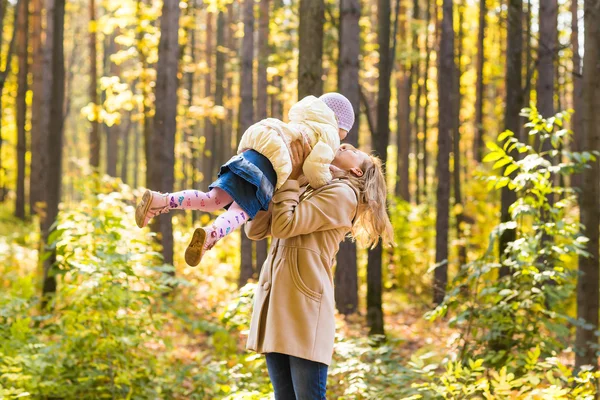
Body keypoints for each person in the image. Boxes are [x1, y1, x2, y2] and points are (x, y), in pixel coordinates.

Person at [244, 139, 394, 399]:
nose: (345, 145)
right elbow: (255, 230)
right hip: (279, 304)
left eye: (353, 151)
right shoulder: (313, 187)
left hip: (304, 310)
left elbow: (283, 225)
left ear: (356, 172)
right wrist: (282, 181)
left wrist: (291, 178)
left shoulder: (344, 195)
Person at [134, 93, 355, 266]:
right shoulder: (328, 133)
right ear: (338, 123)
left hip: (255, 147)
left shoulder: (304, 117)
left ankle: (160, 200)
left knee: (212, 199)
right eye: (343, 135)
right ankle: (211, 234)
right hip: (273, 163)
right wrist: (325, 180)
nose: (341, 141)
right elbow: (314, 166)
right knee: (241, 211)